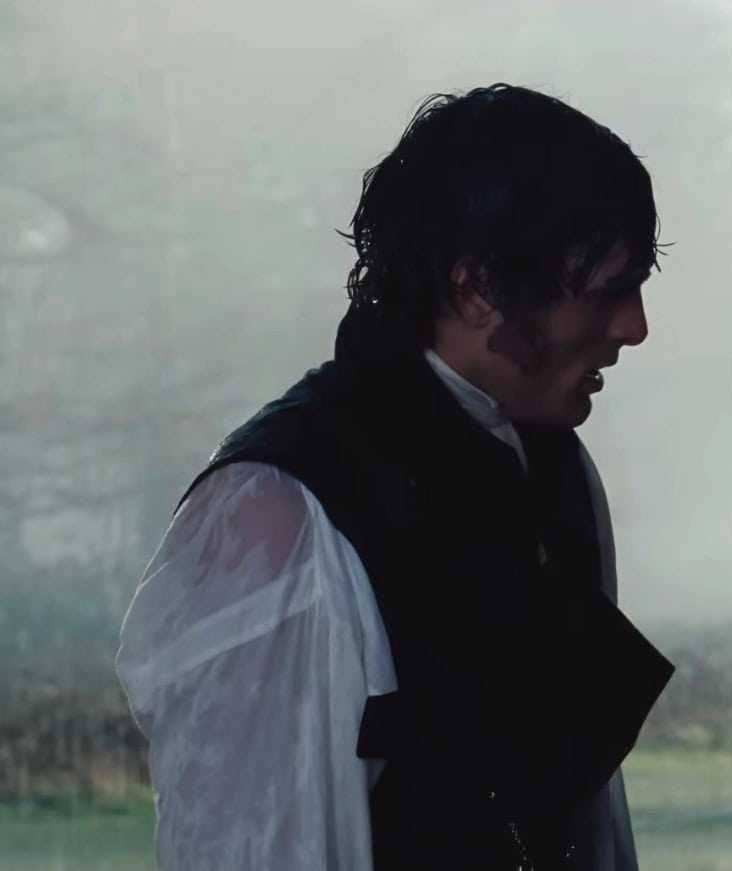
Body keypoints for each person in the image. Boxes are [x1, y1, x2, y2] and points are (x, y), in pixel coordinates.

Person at [115, 84, 675, 870]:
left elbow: (586, 822)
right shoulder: (280, 512)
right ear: (475, 288)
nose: (634, 326)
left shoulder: (558, 471)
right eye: (608, 290)